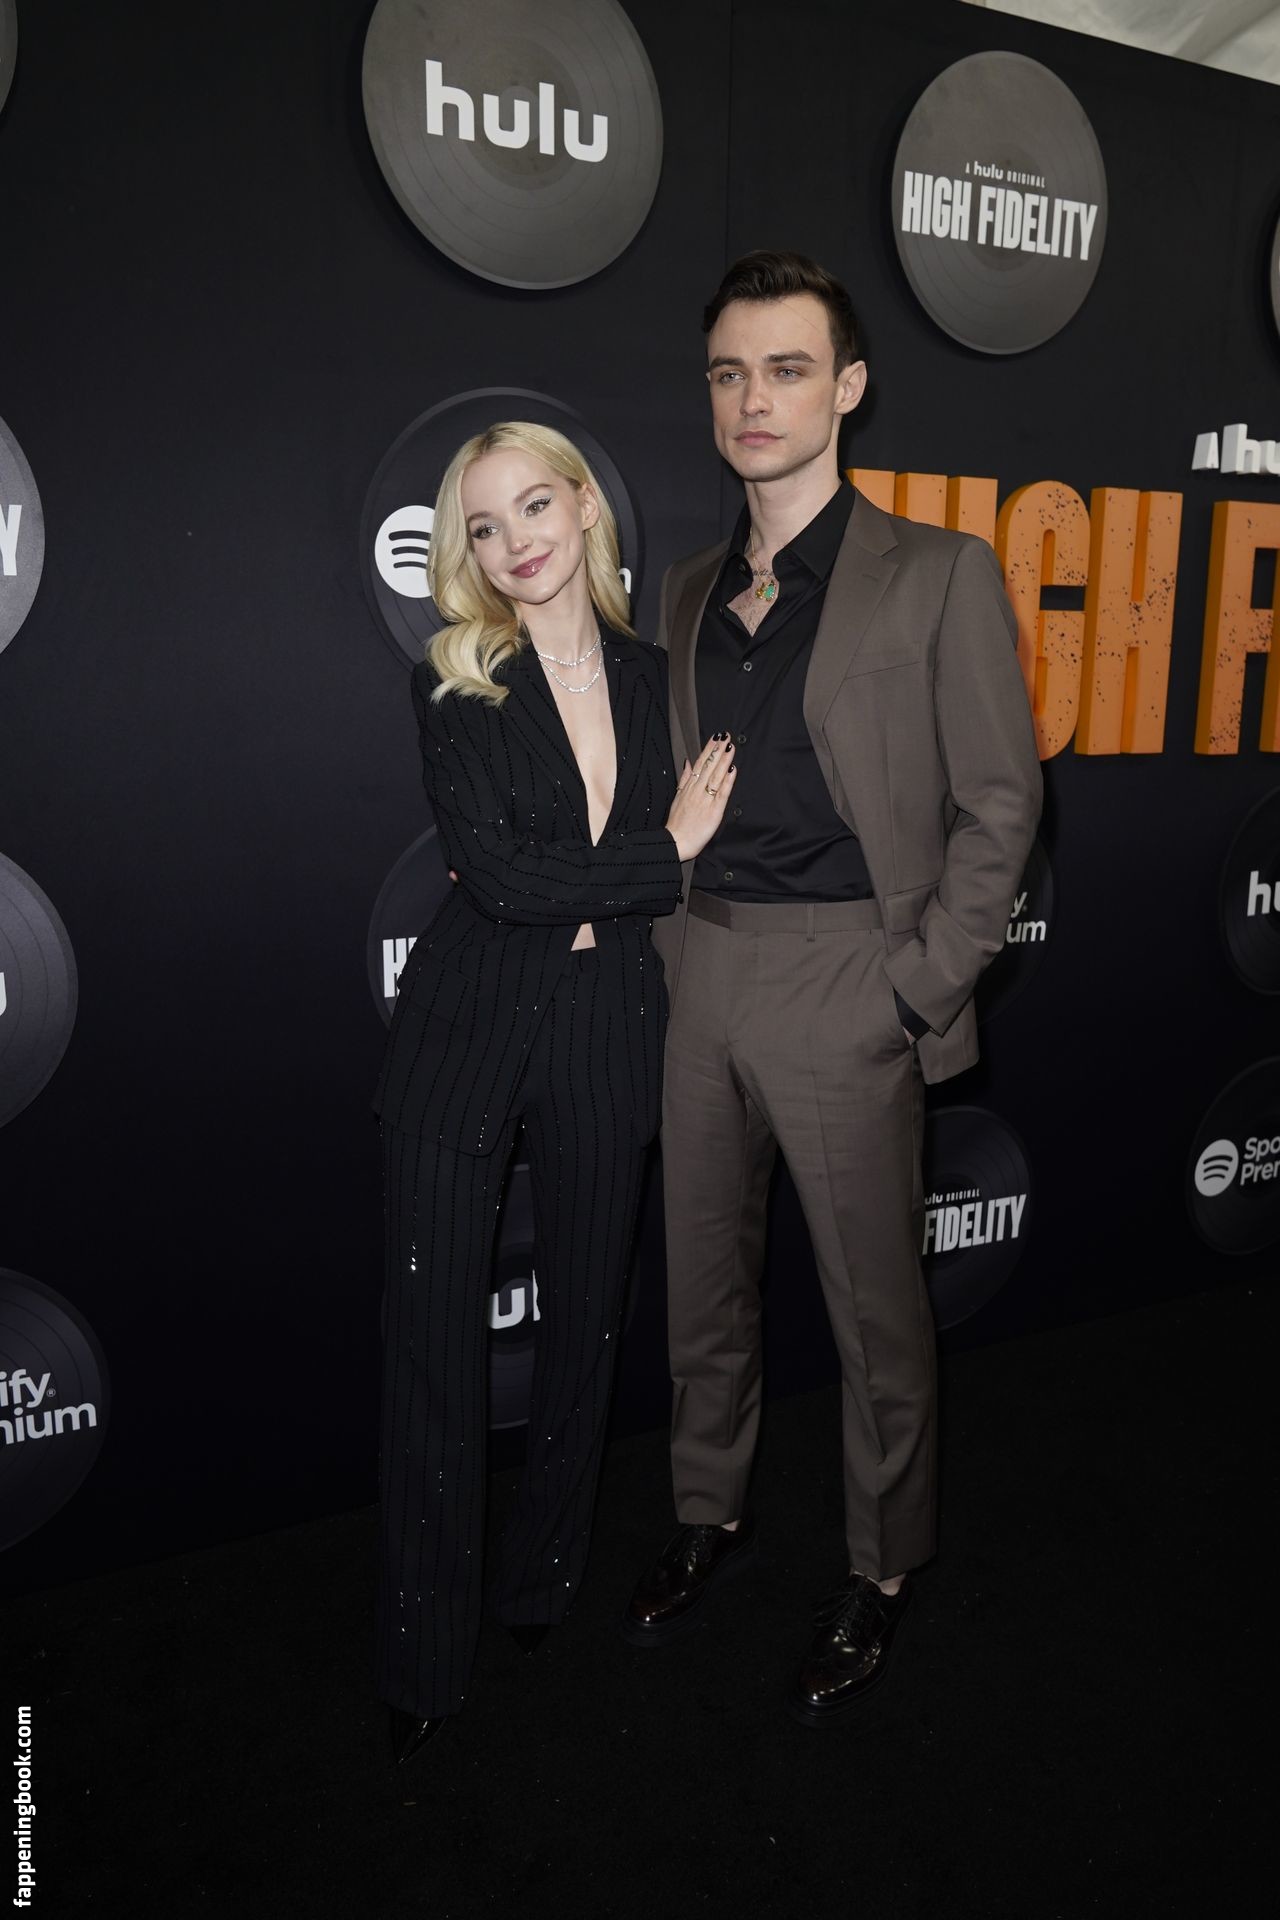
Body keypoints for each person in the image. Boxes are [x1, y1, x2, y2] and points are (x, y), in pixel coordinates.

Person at [623, 252, 1043, 1723]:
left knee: (875, 1316)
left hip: (851, 978)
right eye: (731, 372)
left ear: (848, 387)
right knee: (700, 1283)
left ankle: (883, 1564)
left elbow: (1003, 805)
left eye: (788, 369)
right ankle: (708, 1510)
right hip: (703, 965)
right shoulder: (684, 589)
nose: (756, 399)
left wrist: (911, 990)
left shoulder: (938, 572)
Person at [372, 421, 734, 1764]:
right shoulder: (453, 679)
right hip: (461, 1034)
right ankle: (422, 1653)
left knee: (586, 1324)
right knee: (431, 1356)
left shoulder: (656, 676)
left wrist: (667, 860)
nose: (515, 540)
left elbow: (587, 870)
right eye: (484, 524)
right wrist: (664, 854)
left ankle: (541, 1581)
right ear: (466, 553)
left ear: (585, 508)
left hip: (606, 1025)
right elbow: (505, 879)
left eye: (534, 505)